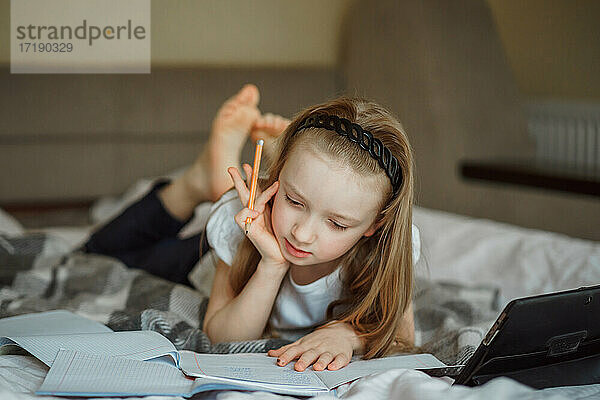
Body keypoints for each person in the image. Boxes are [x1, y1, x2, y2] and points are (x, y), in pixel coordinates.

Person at [84, 86, 420, 372]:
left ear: (375, 225)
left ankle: (228, 179)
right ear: (277, 180)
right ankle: (195, 183)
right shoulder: (237, 227)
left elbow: (404, 337)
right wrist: (272, 264)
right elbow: (222, 338)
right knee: (97, 255)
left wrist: (348, 335)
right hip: (219, 248)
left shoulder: (389, 248)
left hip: (265, 211)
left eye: (336, 223)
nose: (302, 234)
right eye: (295, 201)